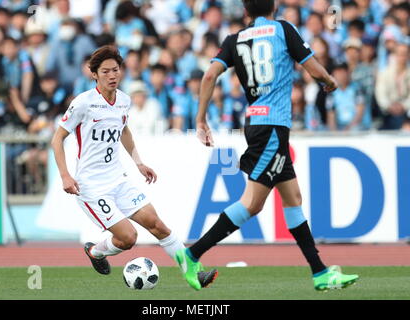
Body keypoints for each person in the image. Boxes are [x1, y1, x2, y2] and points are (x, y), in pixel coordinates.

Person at [174, 0, 359, 291]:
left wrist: (200, 119)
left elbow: (209, 75)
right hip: (272, 128)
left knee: (293, 197)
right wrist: (329, 81)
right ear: (274, 7)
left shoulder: (235, 39)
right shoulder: (283, 29)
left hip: (258, 125)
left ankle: (320, 272)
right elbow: (313, 68)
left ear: (246, 11)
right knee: (251, 203)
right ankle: (191, 254)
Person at [50, 45, 217, 286]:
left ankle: (193, 272)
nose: (112, 75)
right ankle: (96, 252)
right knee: (128, 238)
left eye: (115, 70)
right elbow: (57, 138)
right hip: (91, 188)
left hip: (118, 179)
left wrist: (138, 162)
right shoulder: (83, 103)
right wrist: (65, 175)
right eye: (105, 71)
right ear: (94, 74)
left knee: (157, 224)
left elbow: (124, 130)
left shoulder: (124, 101)